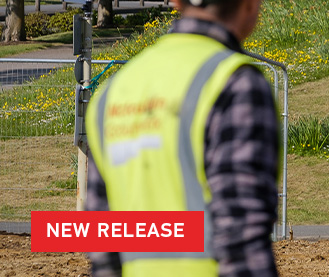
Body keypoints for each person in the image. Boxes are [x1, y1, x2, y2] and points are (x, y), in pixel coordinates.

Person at [83, 0, 279, 275]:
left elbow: (103, 245)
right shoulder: (236, 83)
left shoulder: (111, 93)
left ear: (176, 2)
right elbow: (242, 242)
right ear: (250, 4)